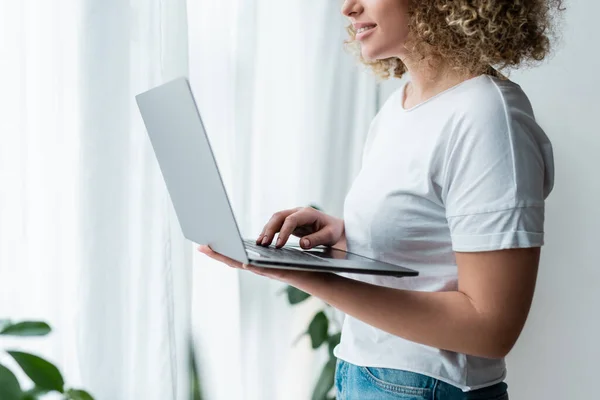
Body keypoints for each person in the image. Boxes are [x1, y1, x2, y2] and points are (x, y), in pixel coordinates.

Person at [198, 0, 562, 398]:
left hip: (429, 387)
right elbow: (430, 245)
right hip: (362, 373)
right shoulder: (401, 105)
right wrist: (346, 236)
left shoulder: (488, 116)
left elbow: (491, 329)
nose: (348, 8)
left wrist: (307, 276)